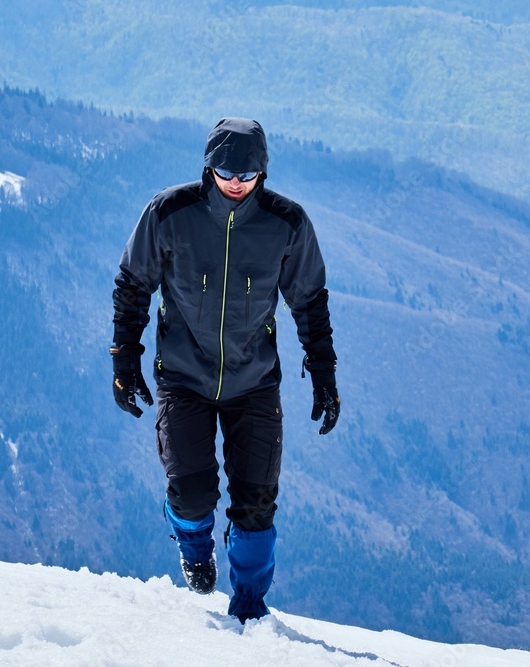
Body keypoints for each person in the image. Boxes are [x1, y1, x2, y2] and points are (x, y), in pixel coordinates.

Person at [110, 117, 340, 624]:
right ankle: (195, 552)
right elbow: (133, 283)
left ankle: (250, 611)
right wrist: (124, 357)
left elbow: (310, 302)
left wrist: (323, 375)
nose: (236, 181)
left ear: (263, 172)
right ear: (208, 166)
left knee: (256, 505)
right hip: (184, 378)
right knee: (191, 495)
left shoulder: (287, 224)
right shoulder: (171, 213)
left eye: (249, 172)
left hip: (253, 382)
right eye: (226, 170)